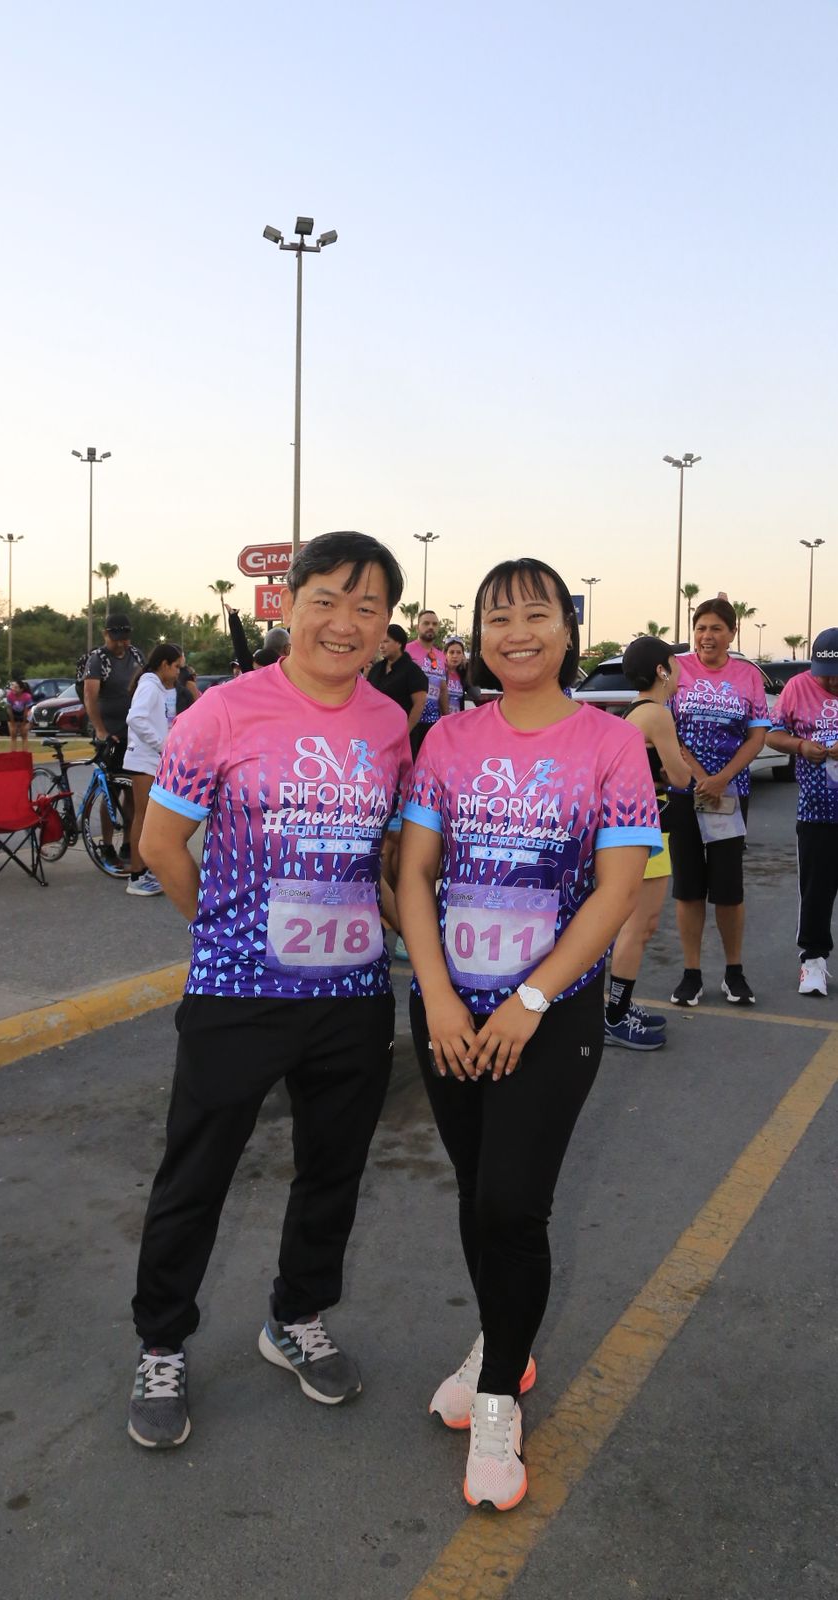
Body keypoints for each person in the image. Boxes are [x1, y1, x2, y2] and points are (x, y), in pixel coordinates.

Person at [127, 530, 412, 1450]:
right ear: (288, 605)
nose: (344, 622)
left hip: (353, 993)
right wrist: (220, 930)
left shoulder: (388, 724)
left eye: (367, 606)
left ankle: (297, 1316)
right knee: (197, 1172)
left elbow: (383, 858)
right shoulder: (221, 712)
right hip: (239, 992)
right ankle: (161, 1343)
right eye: (326, 599)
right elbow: (160, 844)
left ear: (386, 624)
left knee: (334, 1168)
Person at [396, 557, 659, 1512]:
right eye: (498, 617)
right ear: (478, 638)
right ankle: (500, 1341)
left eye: (536, 614)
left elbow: (617, 889)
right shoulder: (449, 739)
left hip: (550, 1014)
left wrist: (532, 1001)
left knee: (514, 1205)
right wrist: (437, 997)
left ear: (568, 631)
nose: (517, 632)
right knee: (478, 1196)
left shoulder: (610, 743)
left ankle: (499, 1395)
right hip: (451, 1010)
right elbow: (414, 873)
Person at [667, 598, 769, 1007]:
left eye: (715, 629)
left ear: (731, 633)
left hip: (730, 795)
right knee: (688, 888)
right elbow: (667, 730)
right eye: (700, 628)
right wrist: (698, 776)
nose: (706, 636)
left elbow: (757, 736)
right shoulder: (676, 670)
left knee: (728, 891)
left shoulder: (748, 676)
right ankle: (691, 974)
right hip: (684, 793)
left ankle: (734, 972)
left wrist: (723, 778)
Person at [604, 637, 693, 1049]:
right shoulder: (656, 713)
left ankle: (619, 1006)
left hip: (636, 825)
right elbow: (681, 777)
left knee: (638, 924)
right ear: (662, 669)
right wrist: (677, 768)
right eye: (674, 661)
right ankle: (615, 1017)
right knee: (639, 925)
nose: (679, 669)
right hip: (644, 827)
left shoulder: (635, 709)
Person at [765, 628, 838, 996]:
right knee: (816, 890)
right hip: (816, 812)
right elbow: (771, 734)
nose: (830, 681)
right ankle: (813, 960)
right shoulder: (797, 687)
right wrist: (800, 746)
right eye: (825, 674)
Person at [83, 613, 145, 869]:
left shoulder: (136, 655)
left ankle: (129, 843)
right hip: (110, 734)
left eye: (125, 638)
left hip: (133, 734)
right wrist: (100, 730)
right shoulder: (98, 659)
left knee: (133, 791)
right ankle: (107, 845)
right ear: (106, 635)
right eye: (116, 638)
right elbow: (90, 696)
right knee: (111, 791)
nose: (121, 643)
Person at [123, 643, 185, 898]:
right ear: (164, 664)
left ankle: (145, 870)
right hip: (143, 760)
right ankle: (136, 876)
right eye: (177, 666)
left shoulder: (158, 687)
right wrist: (161, 745)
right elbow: (135, 718)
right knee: (142, 817)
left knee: (148, 817)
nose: (179, 672)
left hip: (152, 760)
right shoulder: (149, 686)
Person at [366, 624, 429, 734]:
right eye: (380, 642)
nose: (381, 646)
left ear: (399, 643)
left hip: (401, 732)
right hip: (375, 730)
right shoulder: (376, 669)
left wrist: (405, 731)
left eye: (386, 642)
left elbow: (419, 704)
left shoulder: (413, 671)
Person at [406, 609, 446, 753]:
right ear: (418, 627)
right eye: (426, 623)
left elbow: (443, 689)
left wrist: (446, 718)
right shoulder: (406, 651)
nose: (431, 627)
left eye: (434, 624)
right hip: (410, 721)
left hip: (433, 723)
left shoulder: (441, 656)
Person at [438, 636, 482, 716]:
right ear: (445, 654)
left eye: (459, 652)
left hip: (457, 719)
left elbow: (476, 694)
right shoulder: (439, 672)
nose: (455, 656)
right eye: (451, 652)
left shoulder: (462, 673)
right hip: (440, 719)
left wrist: (468, 670)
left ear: (463, 655)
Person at [6, 677, 33, 749]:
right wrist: (12, 723)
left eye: (16, 687)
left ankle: (24, 754)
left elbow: (26, 711)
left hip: (24, 714)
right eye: (12, 686)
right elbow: (9, 709)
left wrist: (23, 723)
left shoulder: (27, 696)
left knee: (24, 735)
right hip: (13, 714)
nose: (13, 689)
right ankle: (13, 754)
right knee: (13, 736)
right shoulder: (9, 695)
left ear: (21, 689)